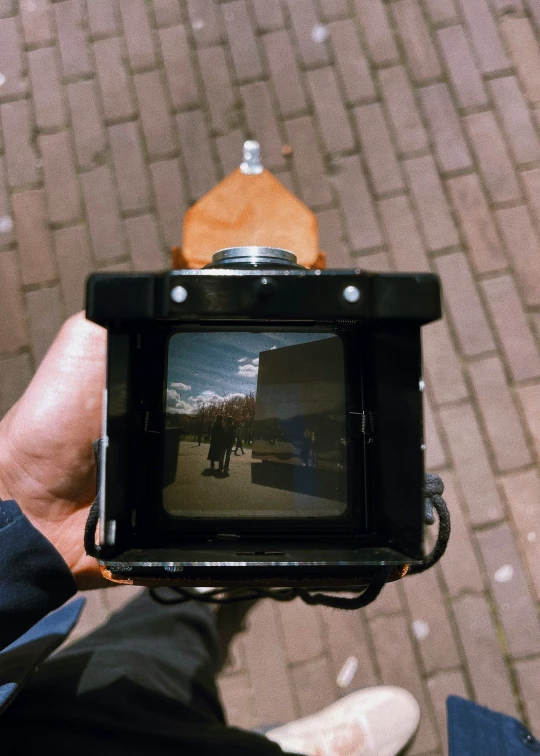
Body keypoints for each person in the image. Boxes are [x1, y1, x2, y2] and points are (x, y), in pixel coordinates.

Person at [0, 313, 538, 756]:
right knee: (166, 660)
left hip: (43, 719)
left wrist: (25, 513)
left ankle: (200, 592)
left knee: (157, 640)